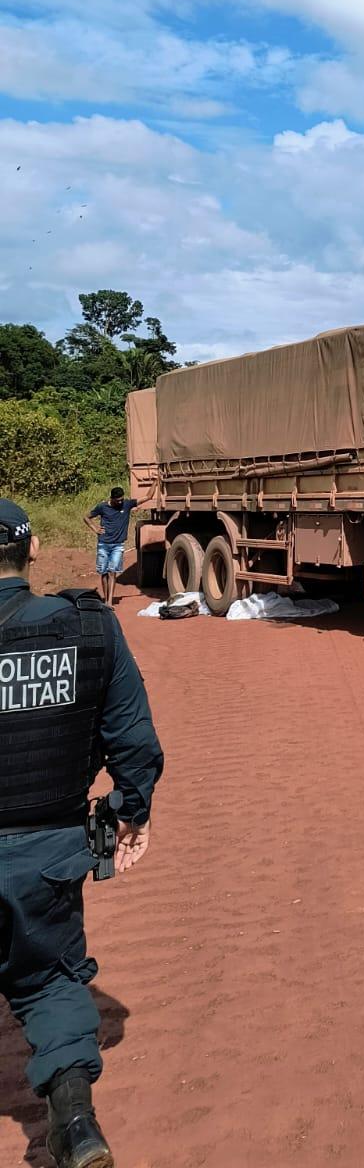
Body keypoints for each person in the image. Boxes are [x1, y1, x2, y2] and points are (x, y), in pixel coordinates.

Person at [0, 498, 164, 1168]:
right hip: (48, 856)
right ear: (34, 550)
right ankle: (74, 1123)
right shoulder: (88, 629)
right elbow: (134, 741)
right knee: (51, 981)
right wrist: (132, 811)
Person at [83, 488, 141, 608]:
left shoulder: (127, 504)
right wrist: (95, 529)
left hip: (118, 545)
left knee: (112, 571)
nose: (120, 502)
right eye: (117, 500)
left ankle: (109, 601)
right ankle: (105, 600)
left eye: (121, 500)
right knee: (104, 572)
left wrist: (156, 482)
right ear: (112, 498)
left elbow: (147, 497)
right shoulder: (102, 507)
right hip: (103, 544)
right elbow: (86, 517)